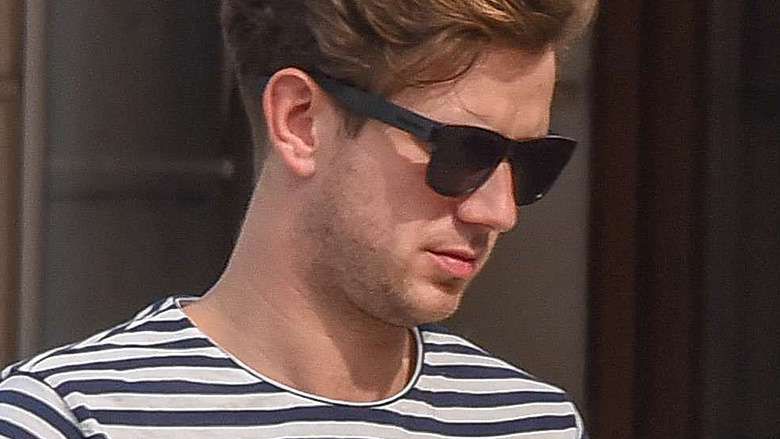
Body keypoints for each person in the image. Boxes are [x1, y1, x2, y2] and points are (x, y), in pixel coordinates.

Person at [0, 0, 597, 437]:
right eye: (465, 152)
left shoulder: (532, 422)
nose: (499, 212)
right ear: (301, 121)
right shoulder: (65, 418)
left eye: (532, 162)